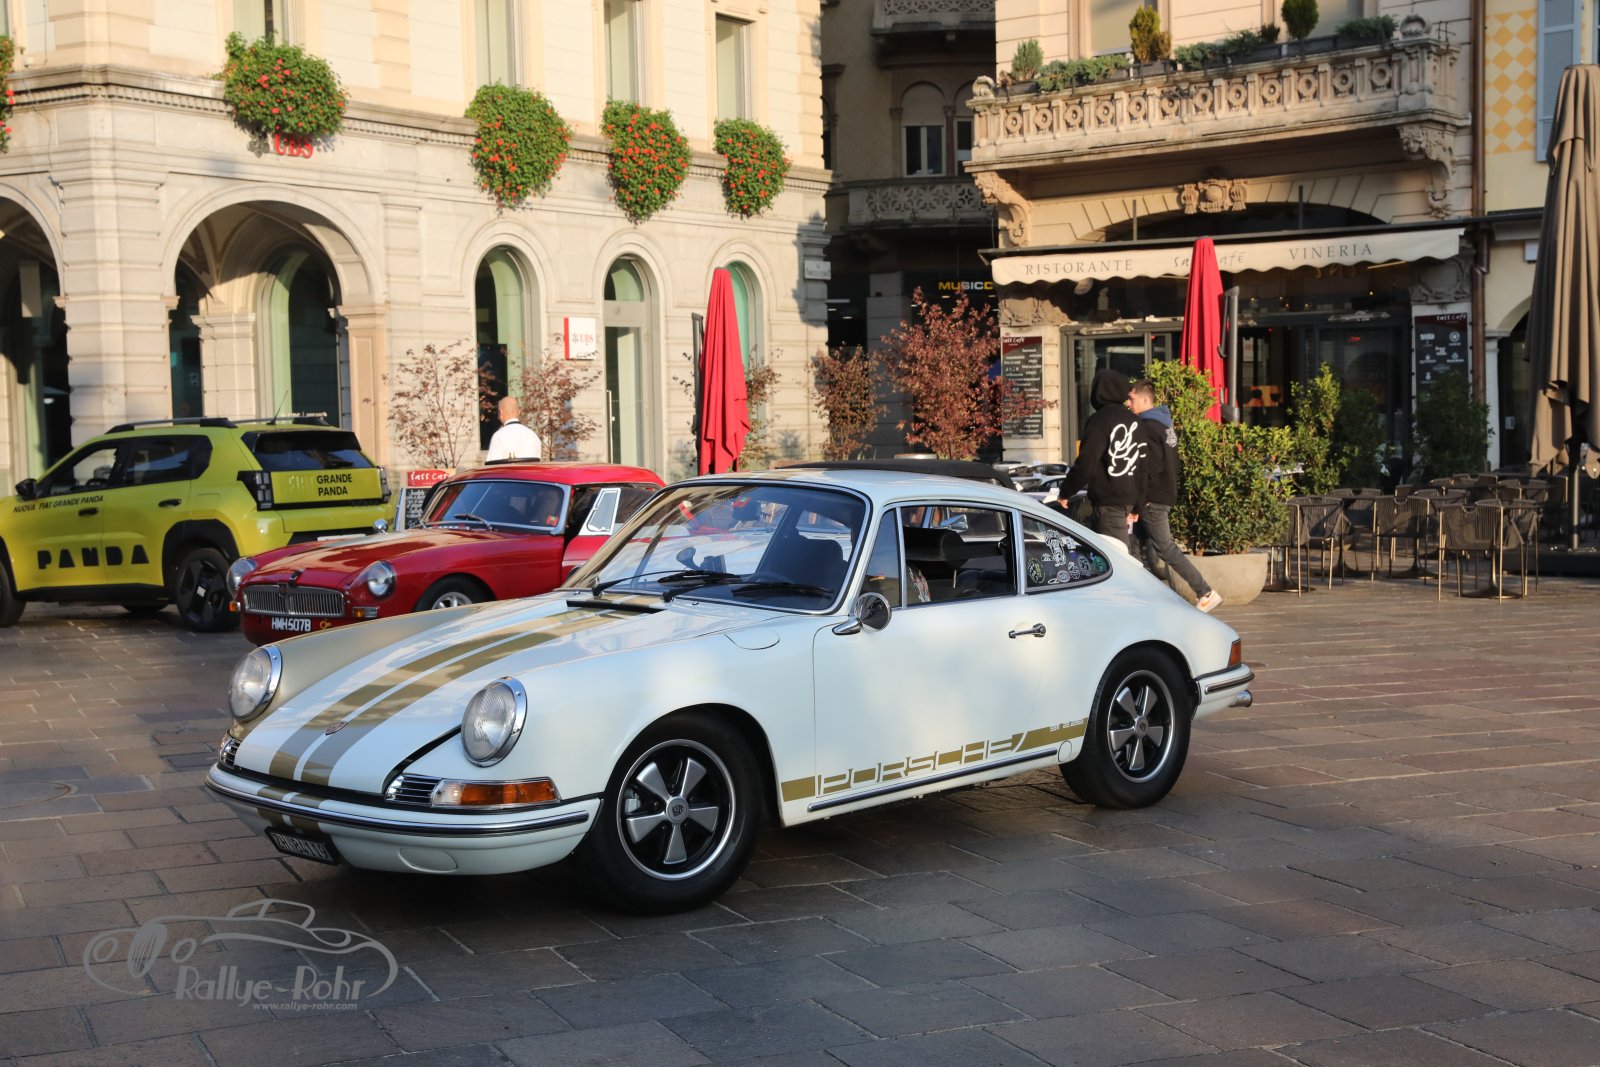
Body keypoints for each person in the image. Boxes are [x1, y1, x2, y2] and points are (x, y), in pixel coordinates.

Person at [1128, 380, 1222, 613]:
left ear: (1145, 399)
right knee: (1133, 546)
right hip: (1162, 494)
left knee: (1165, 547)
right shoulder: (1164, 425)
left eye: (1132, 398)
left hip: (1152, 498)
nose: (1128, 403)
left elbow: (1150, 468)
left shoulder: (1147, 427)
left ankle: (1205, 592)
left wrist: (1141, 501)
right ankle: (1138, 597)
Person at [1060, 368, 1145, 550]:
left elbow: (1086, 463)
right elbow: (1143, 466)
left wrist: (1066, 491)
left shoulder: (1099, 420)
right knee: (1121, 552)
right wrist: (1138, 504)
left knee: (1116, 558)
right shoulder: (1135, 421)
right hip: (1129, 500)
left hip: (1109, 500)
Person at [485, 397, 541, 463]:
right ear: (519, 412)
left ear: (500, 412)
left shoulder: (498, 436)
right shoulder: (533, 436)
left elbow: (493, 466)